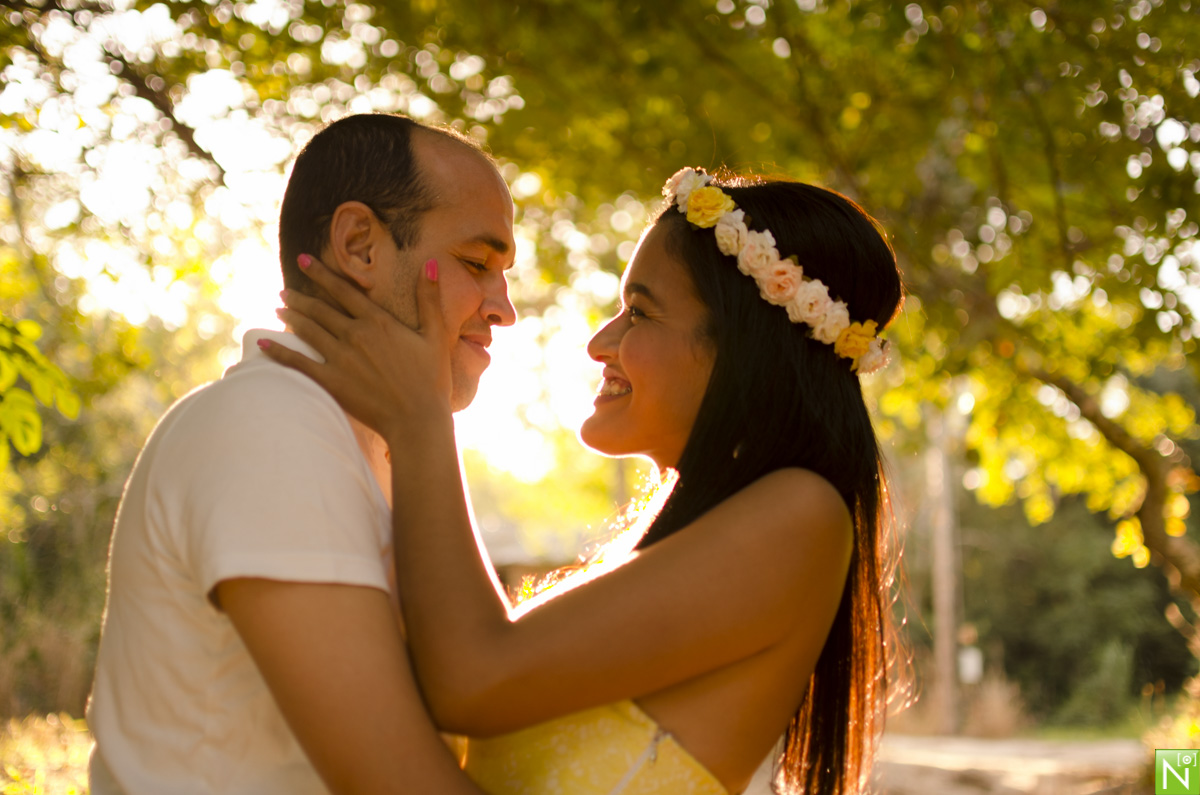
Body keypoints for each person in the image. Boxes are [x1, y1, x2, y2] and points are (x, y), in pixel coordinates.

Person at [264, 167, 905, 794]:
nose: (601, 343)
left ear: (745, 352)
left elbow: (470, 679)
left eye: (640, 313)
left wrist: (421, 420)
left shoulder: (802, 518)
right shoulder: (707, 534)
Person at [85, 113, 517, 794]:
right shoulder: (271, 425)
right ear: (359, 245)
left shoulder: (372, 444)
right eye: (476, 263)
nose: (505, 308)